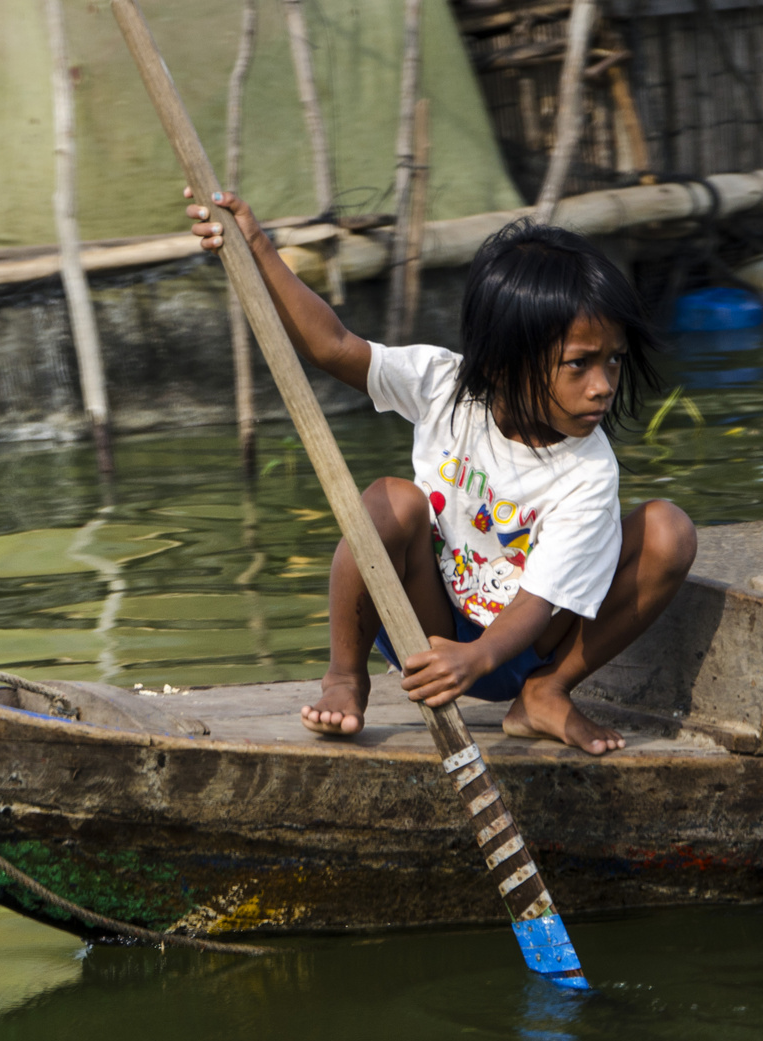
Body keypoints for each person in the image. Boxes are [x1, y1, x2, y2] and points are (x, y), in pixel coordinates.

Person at [183, 188, 697, 755]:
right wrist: (257, 247)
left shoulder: (588, 469)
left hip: (525, 643)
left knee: (667, 531)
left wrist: (479, 655)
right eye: (579, 364)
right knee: (390, 500)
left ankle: (544, 695)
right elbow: (332, 347)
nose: (602, 385)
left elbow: (537, 602)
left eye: (614, 360)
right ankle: (344, 678)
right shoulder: (444, 385)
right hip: (431, 629)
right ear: (504, 365)